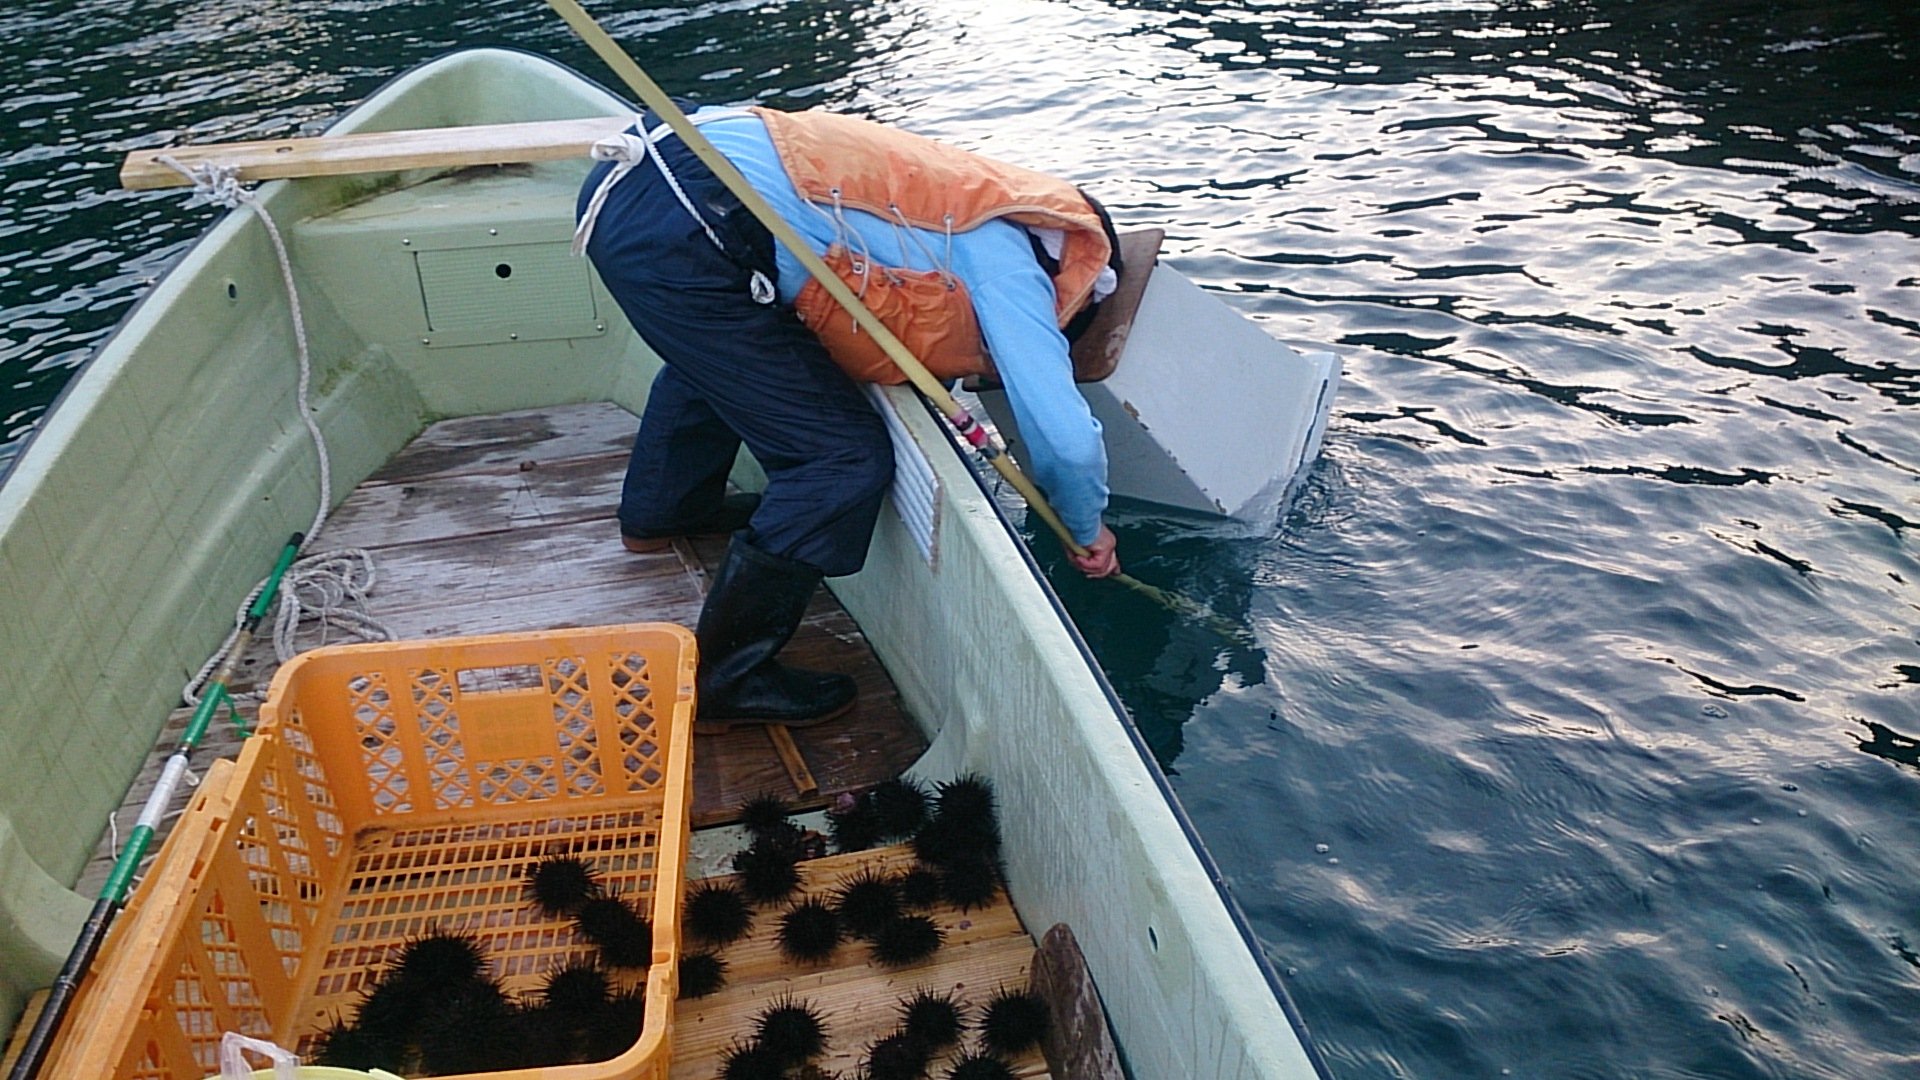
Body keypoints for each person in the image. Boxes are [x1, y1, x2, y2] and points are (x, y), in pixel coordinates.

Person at [574, 102, 1121, 728]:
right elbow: (1066, 439)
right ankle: (728, 681)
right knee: (841, 458)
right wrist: (1086, 526)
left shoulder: (962, 191)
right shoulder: (1010, 267)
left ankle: (663, 514)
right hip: (692, 225)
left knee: (724, 352)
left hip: (639, 178)